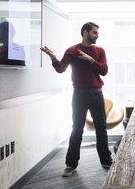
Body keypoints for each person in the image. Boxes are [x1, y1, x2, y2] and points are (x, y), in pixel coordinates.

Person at [40, 22, 112, 177]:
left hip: (97, 93)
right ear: (85, 32)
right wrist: (53, 57)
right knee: (77, 128)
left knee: (101, 128)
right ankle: (71, 164)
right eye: (94, 33)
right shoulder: (72, 50)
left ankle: (106, 160)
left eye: (97, 33)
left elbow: (104, 71)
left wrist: (91, 60)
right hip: (79, 95)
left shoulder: (99, 51)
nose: (97, 35)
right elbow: (60, 68)